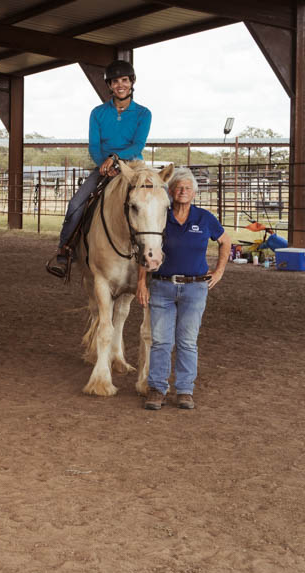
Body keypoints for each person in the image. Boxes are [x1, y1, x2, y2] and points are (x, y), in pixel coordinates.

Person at [135, 168, 230, 410]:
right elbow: (147, 248)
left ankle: (185, 390)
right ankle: (157, 389)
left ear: (194, 193)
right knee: (160, 341)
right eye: (178, 187)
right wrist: (141, 283)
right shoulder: (160, 216)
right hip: (162, 286)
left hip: (195, 288)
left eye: (188, 188)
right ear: (170, 191)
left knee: (187, 341)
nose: (183, 191)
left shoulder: (204, 218)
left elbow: (225, 241)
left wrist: (219, 271)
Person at [47, 59, 151, 277]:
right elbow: (94, 146)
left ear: (132, 82)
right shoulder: (97, 113)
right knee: (76, 204)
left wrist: (115, 158)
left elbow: (137, 145)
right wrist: (104, 164)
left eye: (124, 80)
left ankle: (165, 252)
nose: (120, 85)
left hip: (132, 165)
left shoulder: (143, 113)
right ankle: (64, 251)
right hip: (103, 167)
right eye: (115, 81)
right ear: (109, 85)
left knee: (159, 199)